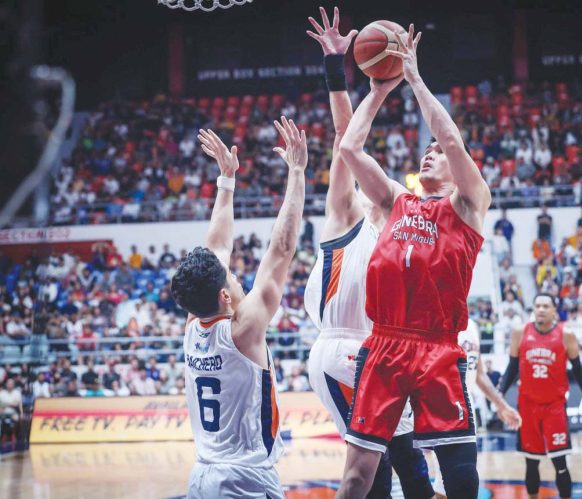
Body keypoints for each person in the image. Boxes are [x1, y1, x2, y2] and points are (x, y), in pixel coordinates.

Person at [336, 25, 491, 499]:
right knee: (357, 477)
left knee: (460, 478)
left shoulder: (469, 204)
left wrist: (415, 80)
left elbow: (451, 138)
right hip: (383, 345)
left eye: (438, 152)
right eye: (426, 150)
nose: (431, 152)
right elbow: (349, 149)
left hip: (439, 349)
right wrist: (379, 91)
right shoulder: (396, 202)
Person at [303, 8, 434, 498]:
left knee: (408, 463)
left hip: (381, 352)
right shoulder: (347, 214)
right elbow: (346, 145)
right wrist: (342, 73)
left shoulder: (406, 235)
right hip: (341, 351)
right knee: (372, 472)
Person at [170, 119, 307, 499]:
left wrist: (226, 182)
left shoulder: (193, 324)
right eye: (229, 278)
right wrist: (297, 173)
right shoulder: (243, 331)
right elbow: (281, 251)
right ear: (225, 298)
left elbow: (216, 249)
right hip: (243, 479)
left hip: (202, 474)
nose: (232, 274)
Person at [499, 294, 582, 499]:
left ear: (554, 311)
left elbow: (578, 369)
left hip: (554, 406)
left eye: (546, 306)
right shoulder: (520, 333)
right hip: (527, 406)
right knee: (531, 461)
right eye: (537, 306)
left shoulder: (566, 335)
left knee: (560, 462)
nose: (541, 309)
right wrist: (499, 396)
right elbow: (512, 368)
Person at [431, 319, 522, 497]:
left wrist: (501, 404)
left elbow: (478, 373)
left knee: (450, 481)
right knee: (455, 477)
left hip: (466, 405)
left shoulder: (471, 325)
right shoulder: (436, 319)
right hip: (442, 406)